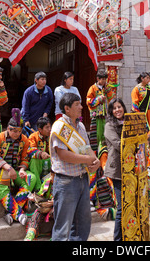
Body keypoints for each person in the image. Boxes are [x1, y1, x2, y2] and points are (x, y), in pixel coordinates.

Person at [50, 92, 100, 241]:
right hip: (66, 182)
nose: (81, 107)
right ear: (67, 108)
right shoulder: (61, 126)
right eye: (77, 104)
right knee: (63, 227)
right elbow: (63, 154)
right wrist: (87, 159)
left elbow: (86, 148)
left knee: (82, 224)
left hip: (82, 179)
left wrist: (95, 161)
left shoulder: (81, 125)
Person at [0, 109, 37, 226]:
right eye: (13, 130)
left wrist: (21, 169)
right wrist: (8, 168)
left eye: (19, 131)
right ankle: (19, 214)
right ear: (8, 129)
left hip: (16, 169)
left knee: (31, 178)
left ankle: (10, 212)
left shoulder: (24, 140)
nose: (16, 133)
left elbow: (25, 158)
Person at [104, 98, 127, 241]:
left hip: (131, 168)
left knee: (130, 203)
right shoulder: (109, 126)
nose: (117, 110)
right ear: (111, 111)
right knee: (122, 206)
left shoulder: (129, 122)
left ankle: (128, 234)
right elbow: (119, 144)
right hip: (117, 168)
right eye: (114, 108)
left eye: (120, 106)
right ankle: (118, 239)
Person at [86, 71, 114, 152]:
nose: (104, 81)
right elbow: (89, 101)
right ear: (98, 79)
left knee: (105, 134)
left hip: (105, 115)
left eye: (105, 79)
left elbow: (111, 99)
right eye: (103, 79)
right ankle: (96, 152)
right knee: (96, 135)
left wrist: (108, 91)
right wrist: (99, 99)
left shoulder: (106, 88)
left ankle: (105, 151)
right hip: (96, 115)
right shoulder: (92, 88)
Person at [28, 116, 51, 192]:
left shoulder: (52, 136)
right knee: (35, 159)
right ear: (40, 129)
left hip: (47, 161)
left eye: (50, 127)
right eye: (47, 127)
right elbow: (31, 150)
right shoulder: (33, 137)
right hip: (38, 163)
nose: (49, 129)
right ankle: (38, 188)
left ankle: (48, 186)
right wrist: (40, 154)